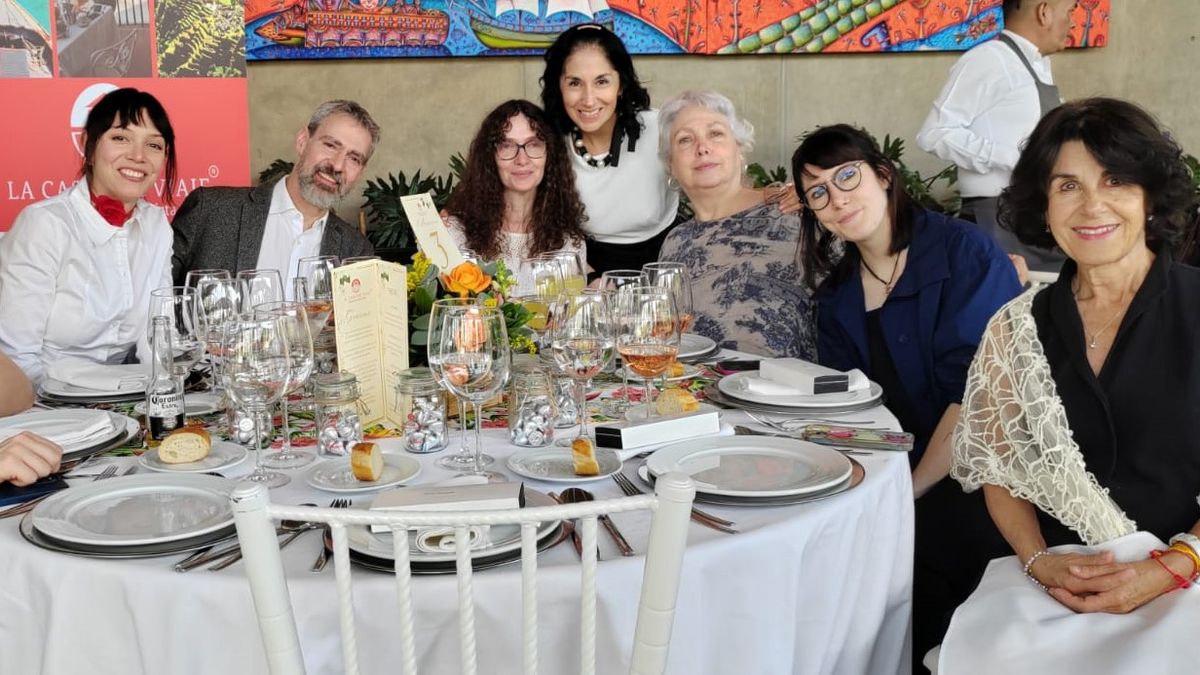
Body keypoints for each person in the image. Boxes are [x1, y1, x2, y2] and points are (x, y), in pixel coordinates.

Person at [943, 98, 1200, 672]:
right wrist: (1037, 562)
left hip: (1187, 576)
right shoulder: (1016, 326)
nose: (1092, 206)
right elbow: (998, 469)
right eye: (1067, 186)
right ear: (1044, 203)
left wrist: (1174, 565)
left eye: (1116, 180)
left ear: (1149, 195)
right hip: (1055, 580)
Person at [792, 124, 1022, 670]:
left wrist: (904, 494)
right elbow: (846, 407)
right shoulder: (838, 293)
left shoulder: (963, 252)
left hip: (985, 468)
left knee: (929, 550)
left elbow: (980, 396)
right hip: (896, 469)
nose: (836, 198)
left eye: (847, 176)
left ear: (884, 175)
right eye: (818, 192)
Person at [0, 87, 177, 384]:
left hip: (126, 395)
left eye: (154, 145)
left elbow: (159, 337)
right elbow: (16, 356)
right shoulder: (45, 224)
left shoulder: (156, 224)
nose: (138, 156)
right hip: (46, 401)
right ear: (89, 144)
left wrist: (164, 390)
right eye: (120, 138)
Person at [916, 0, 1078, 272]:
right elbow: (934, 133)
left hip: (1034, 217)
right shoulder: (990, 59)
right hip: (997, 221)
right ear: (1044, 12)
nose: (1073, 21)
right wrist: (1018, 159)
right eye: (1070, 10)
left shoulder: (1038, 65)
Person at [656, 90, 815, 359]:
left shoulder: (794, 212)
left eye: (715, 134)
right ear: (671, 164)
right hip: (692, 394)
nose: (702, 148)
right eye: (685, 140)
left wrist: (819, 196)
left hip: (781, 392)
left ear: (739, 149)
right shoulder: (675, 241)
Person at [171, 100, 377, 287]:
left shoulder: (356, 253)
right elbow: (154, 303)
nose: (338, 165)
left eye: (354, 159)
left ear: (360, 173)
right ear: (302, 141)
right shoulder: (210, 210)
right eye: (331, 145)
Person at [539, 24, 677, 277]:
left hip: (663, 265)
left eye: (602, 81)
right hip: (584, 273)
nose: (589, 99)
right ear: (559, 87)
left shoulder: (660, 128)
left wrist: (766, 197)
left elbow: (714, 178)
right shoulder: (547, 142)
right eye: (574, 83)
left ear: (621, 85)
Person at [444, 100, 588, 294]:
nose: (522, 160)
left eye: (534, 144)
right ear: (490, 157)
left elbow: (572, 318)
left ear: (549, 154)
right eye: (507, 145)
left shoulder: (569, 243)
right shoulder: (454, 234)